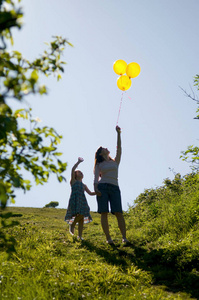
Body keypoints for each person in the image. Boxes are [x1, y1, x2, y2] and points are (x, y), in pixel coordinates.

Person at [94, 126, 129, 245]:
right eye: (103, 148)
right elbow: (95, 178)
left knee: (118, 212)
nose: (106, 148)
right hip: (102, 187)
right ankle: (108, 238)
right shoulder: (99, 164)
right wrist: (95, 189)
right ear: (100, 153)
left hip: (114, 187)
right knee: (104, 212)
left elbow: (119, 149)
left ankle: (124, 238)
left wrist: (119, 134)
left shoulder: (115, 161)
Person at [65, 157, 96, 240]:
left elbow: (90, 193)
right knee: (80, 215)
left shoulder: (84, 185)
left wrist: (98, 192)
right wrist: (78, 162)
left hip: (82, 201)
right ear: (75, 175)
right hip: (75, 200)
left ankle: (80, 236)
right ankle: (73, 224)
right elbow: (72, 169)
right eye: (79, 172)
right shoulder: (73, 182)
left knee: (81, 218)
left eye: (81, 172)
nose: (81, 173)